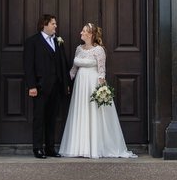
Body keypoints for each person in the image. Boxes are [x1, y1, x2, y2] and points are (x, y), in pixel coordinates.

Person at [56, 22, 133, 158]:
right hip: (80, 85)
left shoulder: (99, 50)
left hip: (92, 83)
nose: (81, 33)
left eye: (84, 31)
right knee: (80, 111)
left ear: (90, 34)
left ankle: (95, 147)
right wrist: (65, 82)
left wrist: (101, 88)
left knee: (93, 112)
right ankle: (79, 147)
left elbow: (102, 70)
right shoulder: (78, 49)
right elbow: (74, 70)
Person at [21, 13, 69, 158]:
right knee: (39, 118)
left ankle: (50, 147)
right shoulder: (32, 42)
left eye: (55, 23)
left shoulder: (58, 41)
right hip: (40, 87)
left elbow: (63, 63)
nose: (56, 26)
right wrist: (32, 86)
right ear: (44, 25)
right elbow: (28, 66)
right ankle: (37, 148)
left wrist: (66, 83)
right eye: (53, 23)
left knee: (52, 118)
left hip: (56, 86)